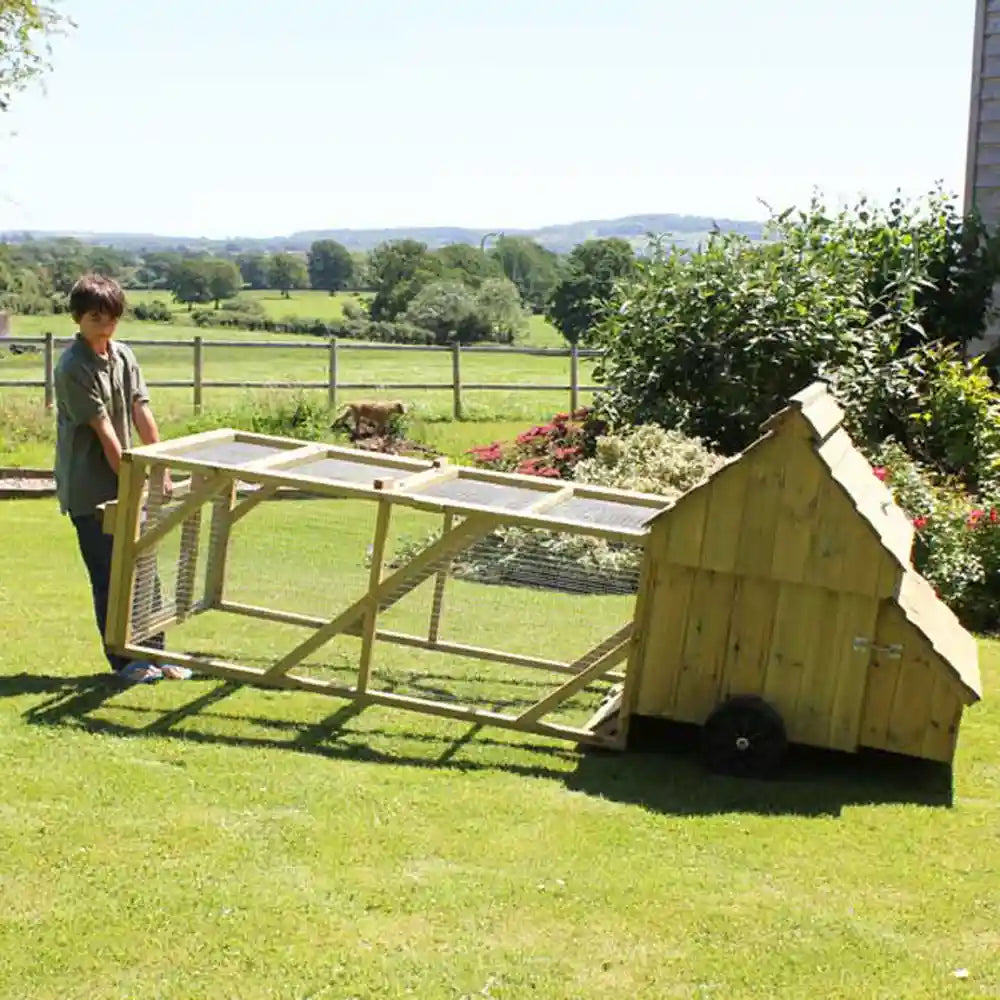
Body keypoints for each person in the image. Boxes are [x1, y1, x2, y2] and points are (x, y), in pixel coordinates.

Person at [53, 273, 191, 683]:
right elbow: (104, 431)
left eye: (112, 317)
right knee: (111, 576)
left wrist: (160, 463)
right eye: (96, 317)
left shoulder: (124, 356)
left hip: (128, 479)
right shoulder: (72, 367)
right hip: (90, 489)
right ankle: (125, 661)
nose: (106, 325)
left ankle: (157, 654)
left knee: (145, 568)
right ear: (78, 318)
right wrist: (137, 481)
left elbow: (140, 412)